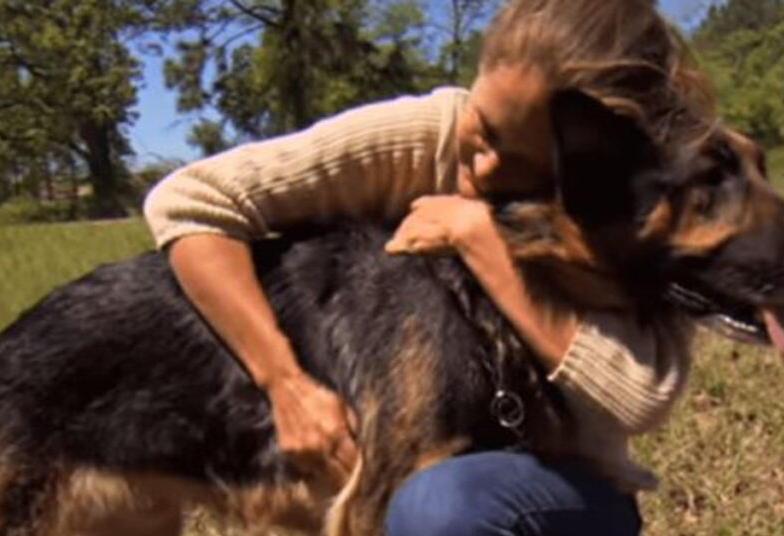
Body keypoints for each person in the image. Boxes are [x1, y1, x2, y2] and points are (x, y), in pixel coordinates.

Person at [143, 1, 715, 534]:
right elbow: (190, 202)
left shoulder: (631, 212)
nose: (482, 167)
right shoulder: (431, 134)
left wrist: (480, 237)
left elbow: (640, 396)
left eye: (521, 163)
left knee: (442, 507)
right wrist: (284, 383)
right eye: (484, 127)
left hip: (560, 495)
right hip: (421, 451)